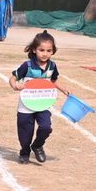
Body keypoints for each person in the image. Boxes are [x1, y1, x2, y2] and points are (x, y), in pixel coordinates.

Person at [9, 31, 70, 164]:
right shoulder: (27, 66)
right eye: (41, 50)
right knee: (25, 132)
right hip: (26, 105)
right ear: (34, 50)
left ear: (53, 51)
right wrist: (15, 85)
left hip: (43, 104)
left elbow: (53, 80)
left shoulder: (52, 66)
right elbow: (13, 78)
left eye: (49, 50)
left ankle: (37, 145)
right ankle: (24, 152)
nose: (45, 54)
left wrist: (64, 90)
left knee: (46, 127)